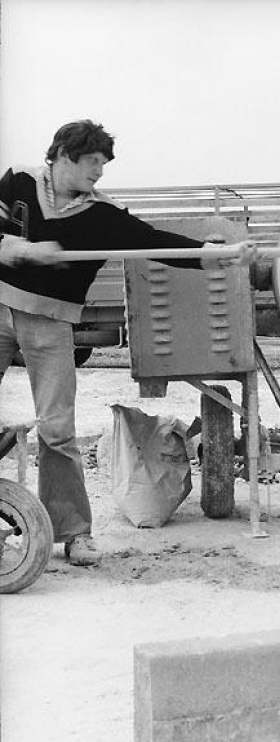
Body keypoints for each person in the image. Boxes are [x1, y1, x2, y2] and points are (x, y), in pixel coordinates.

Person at [0, 120, 254, 567]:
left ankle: (73, 533)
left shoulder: (102, 215)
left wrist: (212, 255)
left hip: (50, 324)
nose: (99, 172)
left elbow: (150, 242)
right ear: (62, 155)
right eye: (91, 161)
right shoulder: (18, 180)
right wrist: (16, 250)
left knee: (57, 431)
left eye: (103, 163)